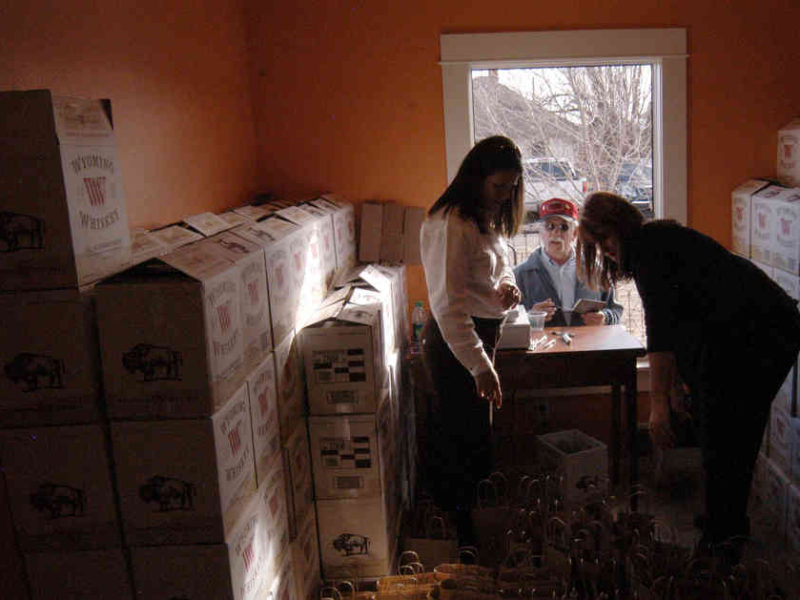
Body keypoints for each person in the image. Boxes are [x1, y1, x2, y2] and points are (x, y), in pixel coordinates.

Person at [577, 191, 800, 560]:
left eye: (604, 239)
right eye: (596, 244)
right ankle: (722, 524)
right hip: (736, 335)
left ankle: (723, 543)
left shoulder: (650, 250)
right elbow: (684, 322)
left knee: (729, 437)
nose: (605, 250)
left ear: (621, 227)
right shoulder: (657, 244)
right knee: (717, 431)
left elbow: (660, 332)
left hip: (764, 334)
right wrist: (680, 387)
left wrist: (659, 405)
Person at [419, 135, 524, 545]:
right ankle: (463, 543)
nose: (505, 195)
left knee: (476, 440)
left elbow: (498, 266)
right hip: (455, 343)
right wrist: (480, 365)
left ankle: (472, 535)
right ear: (476, 177)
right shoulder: (451, 223)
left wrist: (507, 286)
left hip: (481, 334)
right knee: (461, 443)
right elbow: (448, 306)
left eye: (511, 188)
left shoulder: (484, 217)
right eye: (498, 186)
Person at [514, 197, 623, 327]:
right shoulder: (521, 274)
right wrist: (530, 316)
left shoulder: (595, 271)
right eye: (550, 226)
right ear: (541, 232)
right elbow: (506, 320)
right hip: (543, 346)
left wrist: (605, 318)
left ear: (575, 233)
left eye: (564, 227)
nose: (556, 232)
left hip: (588, 346)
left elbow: (615, 311)